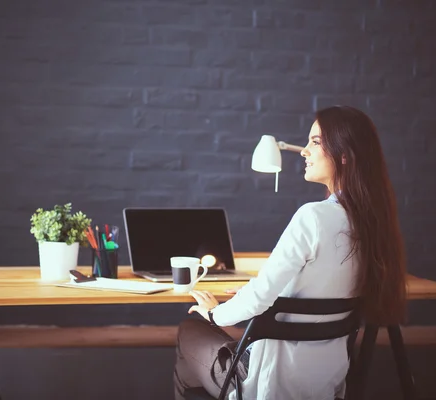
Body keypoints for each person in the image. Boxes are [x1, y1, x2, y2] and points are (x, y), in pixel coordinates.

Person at [173, 105, 407, 400]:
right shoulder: (373, 222)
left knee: (188, 331)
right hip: (325, 379)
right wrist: (254, 290)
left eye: (315, 142)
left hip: (270, 380)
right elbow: (318, 284)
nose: (303, 151)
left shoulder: (314, 216)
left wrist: (213, 313)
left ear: (344, 155)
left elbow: (257, 300)